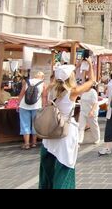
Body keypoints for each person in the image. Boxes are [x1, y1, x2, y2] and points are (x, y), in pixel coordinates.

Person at [39, 61, 94, 189]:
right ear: (70, 77)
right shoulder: (72, 92)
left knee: (49, 169)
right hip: (65, 132)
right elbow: (91, 81)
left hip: (50, 132)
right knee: (64, 167)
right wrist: (90, 65)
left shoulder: (50, 88)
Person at [17, 72, 46, 150]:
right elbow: (44, 97)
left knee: (24, 124)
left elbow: (21, 94)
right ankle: (34, 143)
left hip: (24, 105)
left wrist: (18, 104)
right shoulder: (43, 84)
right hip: (37, 106)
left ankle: (26, 144)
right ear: (42, 77)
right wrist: (43, 106)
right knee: (35, 124)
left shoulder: (27, 82)